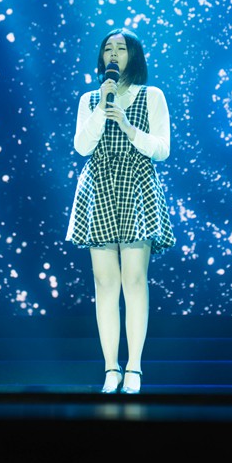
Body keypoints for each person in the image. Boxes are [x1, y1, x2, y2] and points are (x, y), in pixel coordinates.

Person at [66, 27, 175, 395]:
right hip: (99, 185)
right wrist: (102, 107)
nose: (113, 54)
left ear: (134, 56)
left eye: (121, 48)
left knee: (134, 280)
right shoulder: (90, 99)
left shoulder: (151, 95)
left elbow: (162, 149)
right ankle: (110, 367)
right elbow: (82, 147)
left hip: (136, 184)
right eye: (108, 48)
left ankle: (134, 368)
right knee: (105, 283)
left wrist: (127, 125)